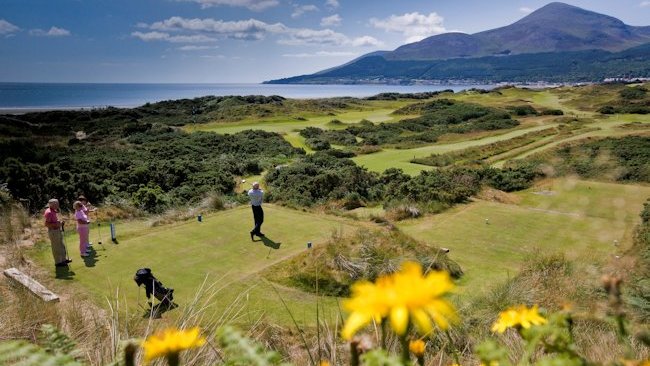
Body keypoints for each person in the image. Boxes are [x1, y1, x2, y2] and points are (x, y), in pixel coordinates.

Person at [44, 199, 70, 267]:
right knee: (56, 247)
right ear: (51, 205)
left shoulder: (53, 211)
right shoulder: (49, 212)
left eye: (58, 203)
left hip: (57, 230)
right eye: (56, 204)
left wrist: (59, 223)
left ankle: (63, 260)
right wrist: (57, 224)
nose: (58, 205)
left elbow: (54, 221)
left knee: (61, 245)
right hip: (53, 231)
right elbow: (47, 224)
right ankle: (58, 262)